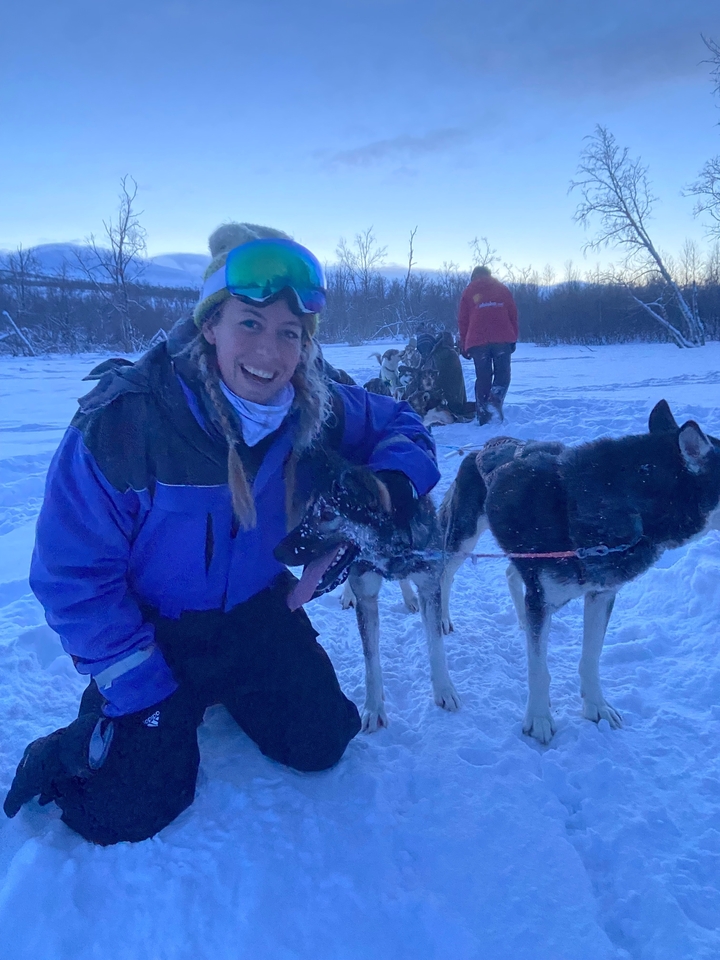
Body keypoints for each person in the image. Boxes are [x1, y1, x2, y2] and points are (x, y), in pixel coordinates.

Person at [3, 222, 440, 845]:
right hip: (152, 632)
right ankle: (68, 748)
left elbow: (406, 427)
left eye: (289, 333)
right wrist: (139, 683)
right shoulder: (128, 420)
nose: (270, 352)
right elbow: (71, 576)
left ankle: (224, 692)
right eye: (250, 323)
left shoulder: (315, 405)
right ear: (210, 325)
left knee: (321, 742)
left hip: (256, 614)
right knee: (129, 810)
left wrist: (389, 486)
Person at [457, 266, 518, 424]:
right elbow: (513, 314)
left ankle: (483, 414)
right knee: (503, 374)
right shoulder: (502, 289)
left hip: (477, 341)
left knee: (483, 377)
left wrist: (464, 344)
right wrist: (513, 337)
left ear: (474, 276)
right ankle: (495, 398)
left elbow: (463, 320)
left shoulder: (468, 291)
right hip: (502, 338)